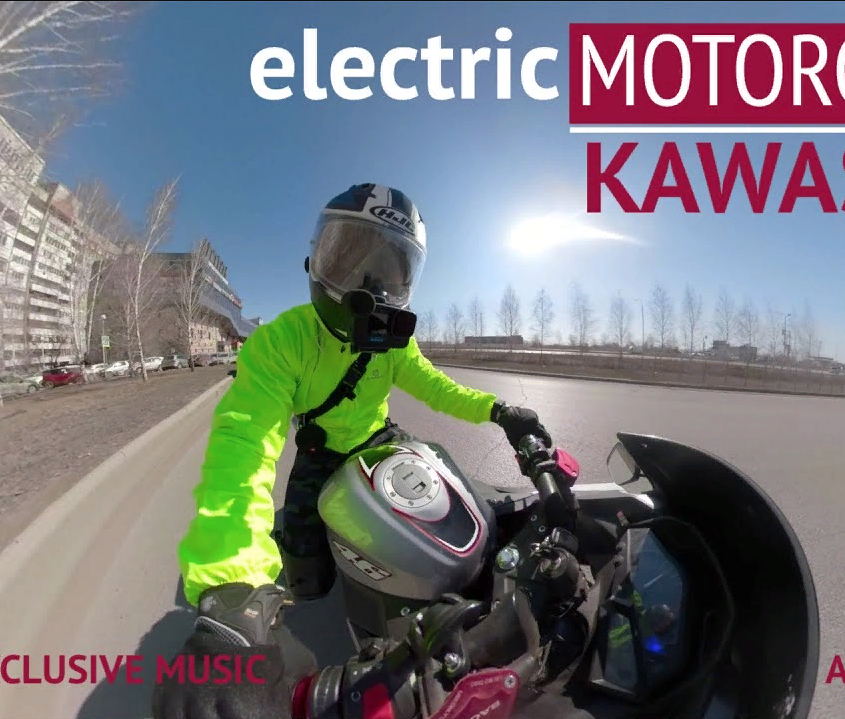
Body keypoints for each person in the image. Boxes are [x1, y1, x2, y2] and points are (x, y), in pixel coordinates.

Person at [154, 183, 552, 719]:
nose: (369, 288)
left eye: (387, 274)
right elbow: (244, 444)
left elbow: (437, 388)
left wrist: (497, 410)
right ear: (316, 261)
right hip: (321, 455)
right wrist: (232, 591)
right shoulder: (282, 340)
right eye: (350, 262)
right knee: (304, 569)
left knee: (457, 508)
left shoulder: (394, 343)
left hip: (380, 441)